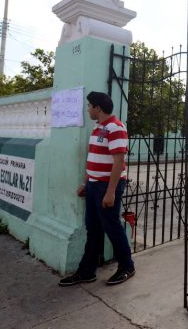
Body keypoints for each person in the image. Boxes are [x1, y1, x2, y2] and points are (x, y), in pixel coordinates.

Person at [59, 91, 135, 286]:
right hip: (94, 185)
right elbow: (93, 159)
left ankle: (127, 266)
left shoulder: (116, 128)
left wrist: (110, 192)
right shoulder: (97, 127)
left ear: (97, 108)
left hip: (107, 186)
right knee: (92, 229)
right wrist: (86, 183)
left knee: (112, 227)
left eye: (89, 106)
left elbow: (119, 161)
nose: (88, 109)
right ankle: (87, 272)